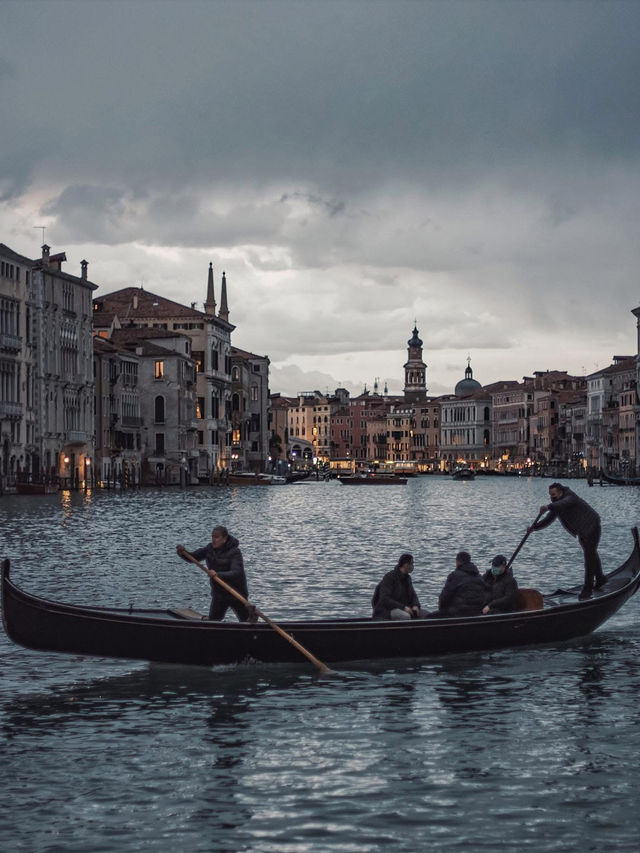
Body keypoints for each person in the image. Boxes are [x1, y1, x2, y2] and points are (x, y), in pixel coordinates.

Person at [529, 482, 606, 600]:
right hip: (582, 530)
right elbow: (549, 519)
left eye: (554, 494)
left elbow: (564, 503)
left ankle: (587, 590)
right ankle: (600, 579)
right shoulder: (557, 503)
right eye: (550, 495)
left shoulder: (570, 497)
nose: (552, 497)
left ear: (560, 492)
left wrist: (548, 506)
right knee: (591, 554)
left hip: (592, 525)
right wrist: (534, 528)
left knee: (589, 558)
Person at [176, 526, 250, 621]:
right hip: (219, 594)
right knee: (214, 621)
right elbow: (193, 558)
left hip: (236, 593)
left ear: (224, 538)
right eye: (212, 537)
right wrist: (183, 552)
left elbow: (236, 572)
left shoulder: (235, 552)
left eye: (216, 537)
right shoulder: (209, 548)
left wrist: (217, 574)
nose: (213, 540)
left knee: (246, 621)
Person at [372, 553, 428, 620]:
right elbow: (385, 599)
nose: (413, 566)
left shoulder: (408, 578)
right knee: (405, 616)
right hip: (387, 611)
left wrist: (415, 605)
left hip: (406, 608)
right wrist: (403, 607)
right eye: (411, 564)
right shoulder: (389, 577)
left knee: (427, 615)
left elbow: (413, 595)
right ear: (405, 564)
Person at [437, 551, 486, 617]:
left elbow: (444, 598)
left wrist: (442, 610)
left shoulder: (455, 575)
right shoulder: (479, 577)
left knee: (429, 617)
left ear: (457, 561)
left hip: (458, 613)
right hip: (477, 612)